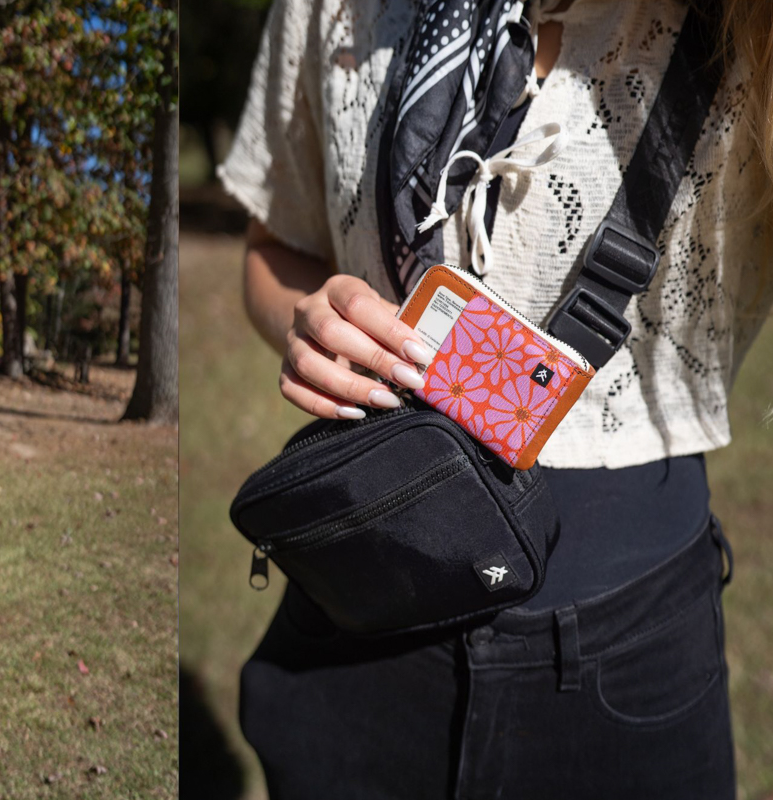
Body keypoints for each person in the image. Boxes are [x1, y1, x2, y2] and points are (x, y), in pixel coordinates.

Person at [217, 0, 770, 796]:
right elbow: (273, 248)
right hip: (361, 611)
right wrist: (305, 320)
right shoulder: (332, 12)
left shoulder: (743, 25)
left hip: (629, 648)